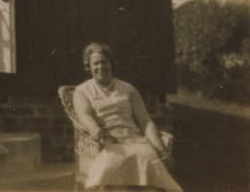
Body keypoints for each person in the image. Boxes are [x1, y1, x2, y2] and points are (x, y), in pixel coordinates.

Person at [73, 42, 182, 191]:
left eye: (104, 62)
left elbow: (145, 121)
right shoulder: (82, 91)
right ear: (89, 67)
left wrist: (160, 150)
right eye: (95, 64)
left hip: (135, 140)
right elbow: (84, 114)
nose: (100, 67)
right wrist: (95, 129)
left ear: (111, 64)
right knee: (110, 164)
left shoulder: (128, 89)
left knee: (150, 160)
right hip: (107, 142)